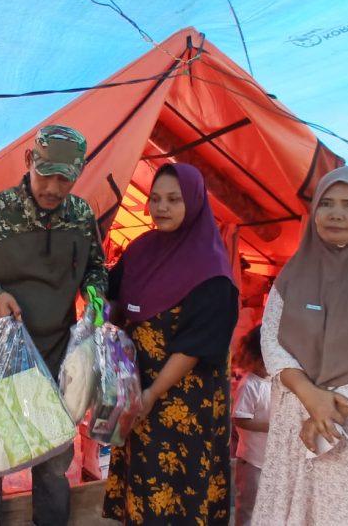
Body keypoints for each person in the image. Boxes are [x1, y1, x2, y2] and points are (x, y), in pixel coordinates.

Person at [0, 124, 108, 526]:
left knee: (53, 460)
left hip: (56, 357)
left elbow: (96, 269)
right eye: (45, 174)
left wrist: (94, 299)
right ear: (29, 161)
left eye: (64, 179)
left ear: (78, 174)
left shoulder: (80, 216)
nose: (53, 188)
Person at [103, 163, 238, 525]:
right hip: (139, 391)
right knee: (142, 484)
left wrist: (151, 394)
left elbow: (195, 347)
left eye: (174, 199)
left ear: (194, 202)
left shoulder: (211, 271)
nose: (161, 207)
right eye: (156, 198)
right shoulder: (141, 250)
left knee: (180, 493)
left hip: (185, 401)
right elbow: (113, 295)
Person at [252, 166, 348, 525]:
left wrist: (330, 409)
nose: (336, 213)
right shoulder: (294, 274)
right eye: (327, 203)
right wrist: (309, 396)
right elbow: (271, 339)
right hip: (295, 425)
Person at [232, 325, 270, 526]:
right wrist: (270, 426)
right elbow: (239, 418)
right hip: (252, 460)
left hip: (269, 459)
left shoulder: (274, 382)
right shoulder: (250, 384)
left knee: (268, 505)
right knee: (249, 506)